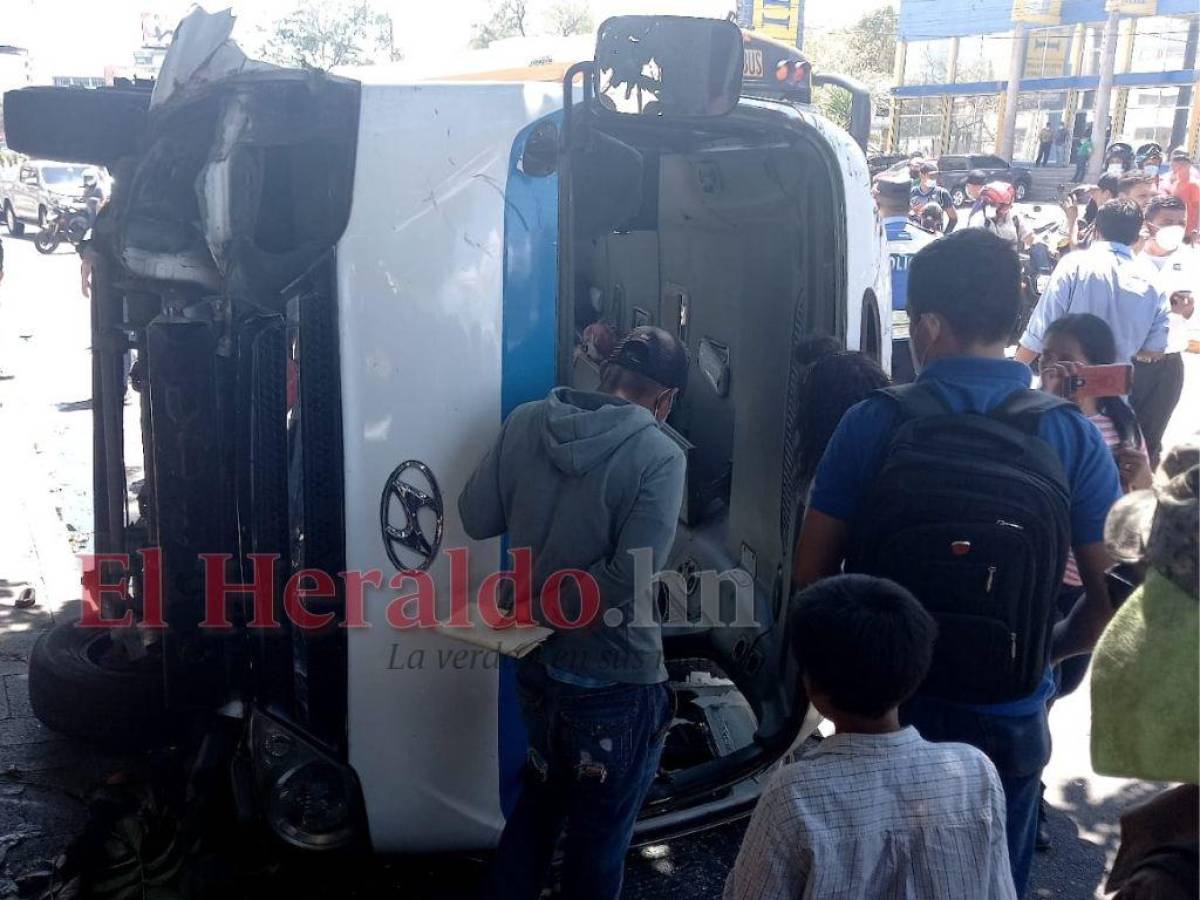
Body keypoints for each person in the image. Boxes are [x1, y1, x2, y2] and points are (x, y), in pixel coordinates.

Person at [794, 229, 1122, 897]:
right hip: (1007, 715)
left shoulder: (872, 421)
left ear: (932, 324)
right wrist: (1045, 653)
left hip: (884, 711)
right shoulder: (1070, 433)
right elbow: (1117, 595)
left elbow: (811, 576)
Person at [460, 326, 689, 900]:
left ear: (604, 373)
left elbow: (475, 516)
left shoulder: (526, 420)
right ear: (666, 401)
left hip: (536, 661)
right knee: (598, 848)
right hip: (616, 677)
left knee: (537, 810)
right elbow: (629, 577)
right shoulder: (660, 453)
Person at [723, 575, 1016, 900]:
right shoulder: (976, 772)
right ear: (916, 673)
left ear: (810, 685)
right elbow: (999, 890)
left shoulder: (794, 796)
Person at [1016, 199, 1168, 369]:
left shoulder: (1074, 265)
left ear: (1096, 230)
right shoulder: (1152, 276)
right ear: (1136, 236)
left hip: (1065, 382)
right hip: (1116, 388)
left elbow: (1040, 330)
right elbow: (1154, 349)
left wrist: (1012, 374)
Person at [1132, 195, 1195, 465]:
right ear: (1149, 225)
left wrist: (1188, 311)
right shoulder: (1130, 257)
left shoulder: (1190, 259)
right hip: (1131, 361)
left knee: (1152, 439)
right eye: (1167, 222)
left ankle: (1142, 500)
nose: (1176, 228)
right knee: (1120, 435)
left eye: (1181, 222)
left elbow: (1196, 314)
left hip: (1169, 362)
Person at [877, 173, 938, 384]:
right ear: (910, 203)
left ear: (877, 200)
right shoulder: (930, 244)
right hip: (918, 344)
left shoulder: (870, 239)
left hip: (873, 339)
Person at [972, 182, 1033, 249]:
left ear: (1005, 205)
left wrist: (1038, 247)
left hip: (1011, 258)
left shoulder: (1015, 218)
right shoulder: (978, 220)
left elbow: (1030, 238)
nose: (988, 206)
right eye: (986, 202)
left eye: (993, 204)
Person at [1163, 148, 1200, 244]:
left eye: (1180, 166)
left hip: (1188, 232)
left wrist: (1194, 230)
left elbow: (1196, 209)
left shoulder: (1193, 185)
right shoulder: (1175, 183)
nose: (1176, 169)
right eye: (1174, 166)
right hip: (1174, 228)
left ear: (1187, 167)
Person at [910, 162, 958, 232]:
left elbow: (953, 218)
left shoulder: (942, 193)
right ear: (921, 175)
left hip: (935, 237)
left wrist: (945, 236)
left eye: (936, 176)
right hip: (917, 236)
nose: (934, 179)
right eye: (931, 176)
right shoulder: (912, 193)